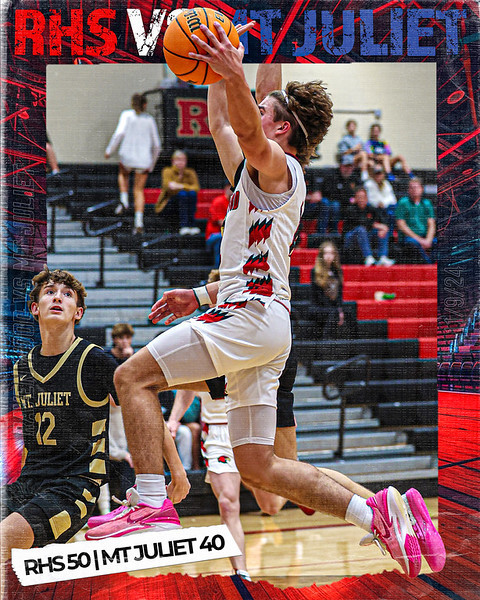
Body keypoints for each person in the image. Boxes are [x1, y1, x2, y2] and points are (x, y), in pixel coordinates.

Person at [85, 31, 444, 580]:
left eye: (263, 109)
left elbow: (248, 126)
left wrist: (233, 68)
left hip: (250, 319)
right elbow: (222, 122)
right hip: (260, 319)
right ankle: (375, 515)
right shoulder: (252, 176)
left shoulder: (280, 168)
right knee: (259, 466)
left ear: (281, 130)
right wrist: (227, 59)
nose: (251, 108)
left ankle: (151, 502)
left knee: (131, 377)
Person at [105, 93, 161, 234]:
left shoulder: (126, 115)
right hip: (143, 159)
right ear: (145, 105)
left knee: (123, 174)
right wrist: (152, 164)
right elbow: (157, 145)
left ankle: (124, 201)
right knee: (138, 190)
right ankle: (139, 221)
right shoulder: (149, 119)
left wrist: (109, 150)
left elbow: (119, 134)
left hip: (127, 156)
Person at [343, 186, 394, 266]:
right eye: (359, 197)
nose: (361, 199)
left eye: (363, 197)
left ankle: (383, 257)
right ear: (355, 198)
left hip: (366, 236)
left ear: (367, 198)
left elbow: (381, 219)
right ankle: (368, 257)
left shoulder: (370, 208)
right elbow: (361, 222)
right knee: (361, 229)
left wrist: (383, 228)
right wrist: (376, 225)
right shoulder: (350, 209)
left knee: (382, 230)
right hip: (351, 238)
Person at [155, 150, 201, 235]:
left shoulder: (190, 172)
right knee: (183, 194)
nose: (181, 162)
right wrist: (186, 187)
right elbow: (168, 187)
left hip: (186, 201)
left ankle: (191, 225)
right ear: (173, 161)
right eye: (178, 159)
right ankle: (184, 225)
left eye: (183, 159)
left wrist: (180, 186)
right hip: (169, 203)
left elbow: (196, 188)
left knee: (192, 194)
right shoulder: (167, 171)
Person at [396, 178, 437, 264]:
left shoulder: (427, 203)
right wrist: (420, 240)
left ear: (422, 189)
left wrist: (428, 240)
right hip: (409, 238)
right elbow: (401, 225)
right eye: (411, 187)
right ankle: (429, 265)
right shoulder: (403, 203)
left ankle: (432, 265)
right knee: (412, 244)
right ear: (408, 190)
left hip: (425, 237)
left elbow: (431, 224)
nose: (414, 190)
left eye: (416, 187)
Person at [310, 241, 345, 338]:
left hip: (331, 308)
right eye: (326, 253)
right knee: (333, 313)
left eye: (331, 253)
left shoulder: (337, 271)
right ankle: (326, 342)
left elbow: (339, 295)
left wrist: (340, 310)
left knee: (348, 313)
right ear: (321, 255)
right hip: (318, 307)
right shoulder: (315, 272)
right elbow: (318, 296)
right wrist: (335, 310)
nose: (329, 256)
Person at [361, 164, 397, 232]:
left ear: (383, 174)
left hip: (385, 208)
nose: (378, 175)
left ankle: (390, 233)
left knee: (393, 210)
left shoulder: (387, 184)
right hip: (373, 208)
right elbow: (369, 198)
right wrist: (378, 203)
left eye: (380, 173)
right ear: (373, 174)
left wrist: (383, 203)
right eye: (376, 173)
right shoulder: (368, 184)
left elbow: (393, 199)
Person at [205, 183, 232, 267]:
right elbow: (222, 223)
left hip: (229, 234)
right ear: (226, 188)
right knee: (222, 238)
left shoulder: (236, 203)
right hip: (214, 235)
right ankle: (218, 269)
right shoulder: (219, 201)